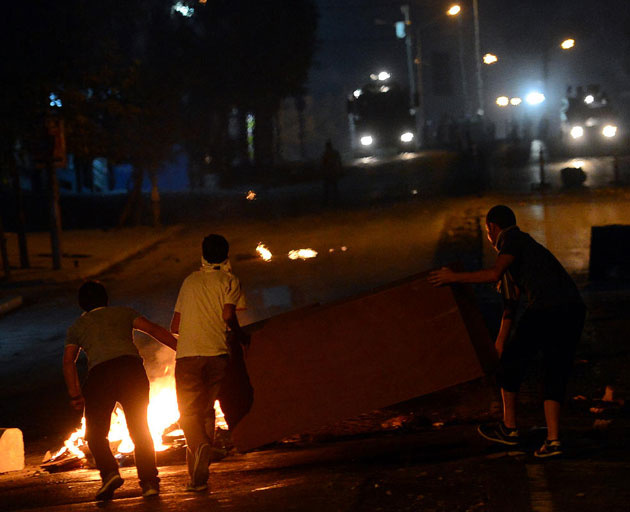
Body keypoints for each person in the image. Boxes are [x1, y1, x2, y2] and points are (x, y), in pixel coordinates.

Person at [428, 205, 585, 458]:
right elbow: (511, 302)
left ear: (492, 228)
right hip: (573, 309)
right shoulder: (526, 246)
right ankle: (553, 442)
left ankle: (509, 429)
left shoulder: (511, 240)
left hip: (547, 308)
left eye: (487, 232)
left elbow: (493, 274)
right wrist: (500, 341)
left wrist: (453, 277)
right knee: (553, 371)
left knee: (511, 366)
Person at [62, 281, 177, 501]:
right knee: (140, 429)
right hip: (131, 371)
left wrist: (75, 394)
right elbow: (153, 329)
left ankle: (110, 473)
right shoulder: (124, 313)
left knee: (96, 434)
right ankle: (150, 483)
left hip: (100, 376)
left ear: (82, 305)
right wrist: (179, 348)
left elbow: (69, 361)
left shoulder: (77, 327)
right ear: (106, 299)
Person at [171, 234, 248, 492]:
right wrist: (239, 334)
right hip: (218, 354)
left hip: (189, 356)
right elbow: (229, 314)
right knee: (206, 410)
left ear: (202, 254)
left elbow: (175, 326)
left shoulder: (190, 281)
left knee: (188, 413)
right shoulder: (230, 280)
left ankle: (201, 444)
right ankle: (197, 479)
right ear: (227, 255)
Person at [321, 139, 342, 206]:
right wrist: (340, 169)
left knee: (327, 187)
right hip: (333, 171)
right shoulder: (335, 153)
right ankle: (336, 199)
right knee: (334, 186)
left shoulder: (325, 154)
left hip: (328, 172)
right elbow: (339, 162)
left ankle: (326, 200)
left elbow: (323, 163)